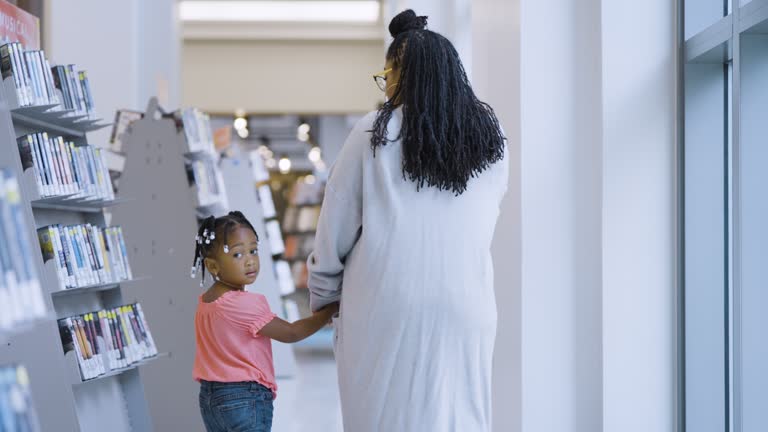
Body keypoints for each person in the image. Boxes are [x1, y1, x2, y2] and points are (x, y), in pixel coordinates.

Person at [307, 9, 509, 432]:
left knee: (381, 416)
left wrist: (324, 297)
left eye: (388, 74)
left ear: (404, 74)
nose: (388, 85)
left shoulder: (374, 134)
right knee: (459, 416)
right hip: (468, 304)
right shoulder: (491, 140)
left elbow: (335, 227)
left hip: (386, 302)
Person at [191, 211, 338, 432]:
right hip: (244, 397)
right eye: (238, 255)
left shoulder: (206, 302)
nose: (250, 260)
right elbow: (291, 333)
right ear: (213, 266)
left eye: (253, 250)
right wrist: (327, 312)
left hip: (210, 396)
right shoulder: (245, 303)